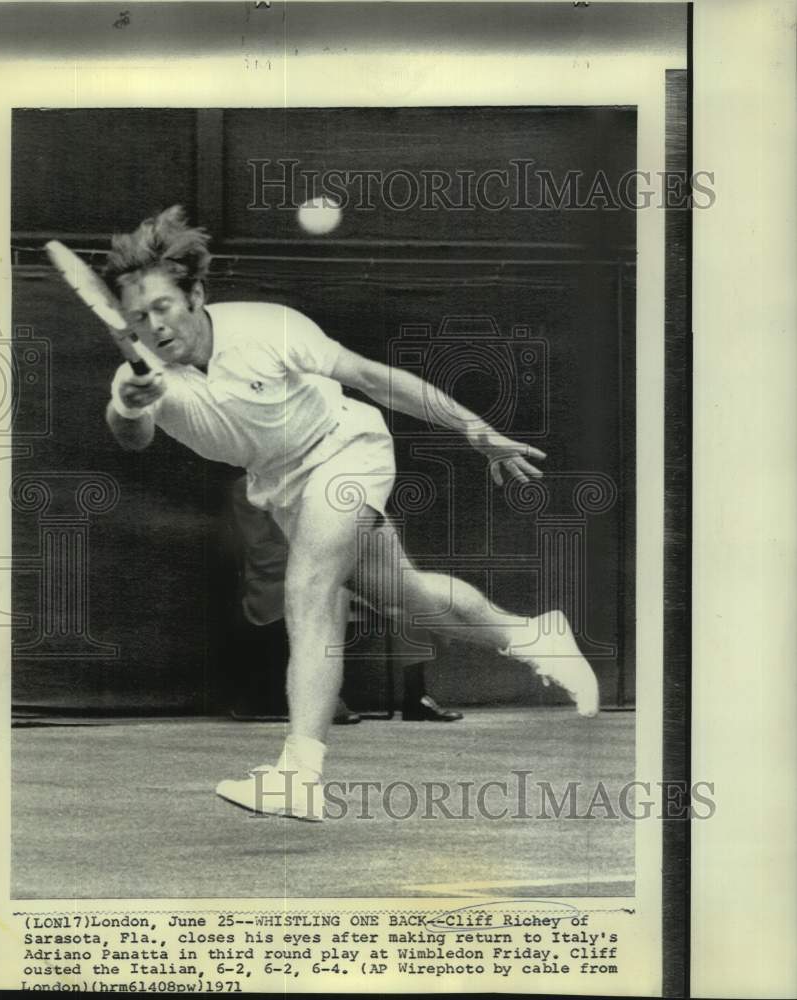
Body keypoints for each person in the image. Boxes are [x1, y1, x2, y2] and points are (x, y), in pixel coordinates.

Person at [103, 206, 599, 823]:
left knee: (309, 589)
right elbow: (133, 436)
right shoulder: (141, 377)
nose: (154, 326)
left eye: (164, 307)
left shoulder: (268, 329)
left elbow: (375, 379)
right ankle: (533, 635)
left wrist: (475, 429)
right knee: (407, 595)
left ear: (196, 294)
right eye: (138, 317)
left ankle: (299, 774)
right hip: (283, 486)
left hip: (346, 451)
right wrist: (127, 406)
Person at [229, 487, 464, 724]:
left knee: (404, 601)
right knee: (328, 600)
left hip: (343, 575)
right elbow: (262, 550)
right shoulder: (250, 489)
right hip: (280, 582)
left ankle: (416, 698)